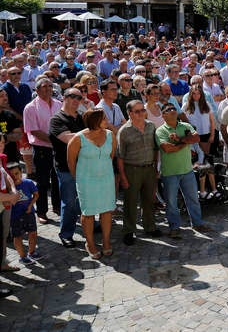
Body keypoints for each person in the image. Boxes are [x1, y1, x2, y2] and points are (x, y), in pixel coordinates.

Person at [156, 103, 211, 238]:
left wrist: (179, 140)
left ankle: (197, 223)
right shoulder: (160, 131)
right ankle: (174, 227)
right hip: (170, 172)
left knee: (193, 198)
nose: (173, 110)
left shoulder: (185, 126)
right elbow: (168, 149)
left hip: (187, 170)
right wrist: (186, 142)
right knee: (171, 203)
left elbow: (197, 138)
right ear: (163, 115)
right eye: (168, 110)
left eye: (174, 108)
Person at [67, 108, 116, 259]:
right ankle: (90, 243)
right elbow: (71, 162)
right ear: (95, 121)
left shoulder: (110, 135)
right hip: (86, 180)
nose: (106, 120)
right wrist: (81, 178)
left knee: (107, 211)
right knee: (88, 213)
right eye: (103, 118)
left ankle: (106, 241)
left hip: (106, 178)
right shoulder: (77, 138)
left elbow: (111, 156)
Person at [117, 100, 161, 246]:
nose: (142, 113)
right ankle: (128, 231)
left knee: (149, 199)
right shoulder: (124, 131)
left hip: (149, 168)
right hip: (132, 169)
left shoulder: (151, 126)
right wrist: (122, 177)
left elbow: (155, 148)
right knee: (130, 202)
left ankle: (150, 226)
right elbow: (120, 156)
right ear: (130, 113)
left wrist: (155, 168)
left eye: (143, 110)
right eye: (137, 111)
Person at [48, 87, 85, 248]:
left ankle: (87, 223)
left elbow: (97, 130)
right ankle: (66, 233)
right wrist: (90, 134)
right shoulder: (57, 119)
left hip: (84, 165)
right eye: (73, 97)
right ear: (64, 98)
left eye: (79, 97)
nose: (77, 100)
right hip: (66, 167)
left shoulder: (82, 117)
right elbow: (70, 139)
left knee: (84, 198)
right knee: (69, 201)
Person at [23, 77, 62, 224]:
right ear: (37, 90)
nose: (48, 89)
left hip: (58, 147)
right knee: (42, 182)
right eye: (44, 87)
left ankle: (58, 207)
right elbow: (33, 130)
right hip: (41, 149)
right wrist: (54, 140)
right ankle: (42, 211)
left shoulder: (59, 104)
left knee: (58, 179)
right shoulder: (31, 107)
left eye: (50, 86)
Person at [182, 85, 218, 200]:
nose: (196, 96)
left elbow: (212, 122)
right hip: (194, 137)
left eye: (198, 93)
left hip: (206, 135)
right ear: (190, 94)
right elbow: (184, 122)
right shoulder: (187, 106)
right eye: (194, 93)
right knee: (201, 161)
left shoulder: (206, 104)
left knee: (207, 160)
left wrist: (212, 135)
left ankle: (210, 187)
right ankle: (203, 188)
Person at [7, 162, 39, 264]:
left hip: (29, 213)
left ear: (21, 172)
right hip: (15, 216)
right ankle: (22, 257)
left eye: (16, 173)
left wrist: (30, 206)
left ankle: (32, 252)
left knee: (33, 233)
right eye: (11, 175)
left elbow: (36, 195)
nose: (14, 177)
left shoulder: (28, 183)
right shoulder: (8, 189)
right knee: (17, 236)